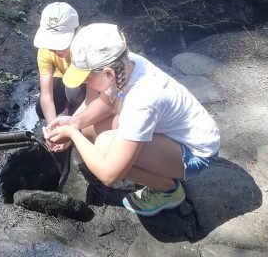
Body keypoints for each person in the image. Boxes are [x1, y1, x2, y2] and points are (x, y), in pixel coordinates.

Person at [46, 23, 220, 217]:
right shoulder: (125, 64)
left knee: (105, 146)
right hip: (170, 135)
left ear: (108, 74)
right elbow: (106, 102)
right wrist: (75, 123)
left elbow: (109, 175)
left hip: (195, 155)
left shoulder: (143, 99)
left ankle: (167, 189)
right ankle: (153, 168)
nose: (84, 82)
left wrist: (72, 134)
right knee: (87, 129)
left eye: (86, 77)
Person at [33, 2, 86, 126]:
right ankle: (66, 110)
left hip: (87, 84)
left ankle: (74, 113)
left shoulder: (85, 48)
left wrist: (75, 124)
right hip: (65, 78)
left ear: (76, 31)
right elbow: (46, 94)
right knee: (40, 109)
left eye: (61, 44)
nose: (56, 50)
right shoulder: (45, 50)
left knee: (73, 90)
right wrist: (53, 127)